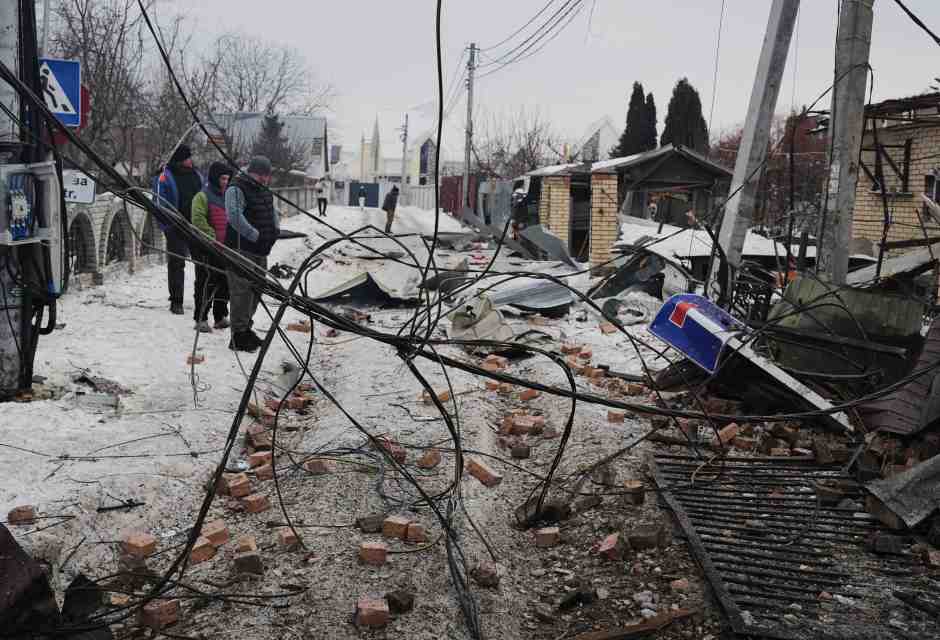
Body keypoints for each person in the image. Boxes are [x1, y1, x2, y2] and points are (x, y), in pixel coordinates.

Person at [225, 156, 279, 352]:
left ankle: (246, 328)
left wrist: (275, 229)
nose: (264, 179)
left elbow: (272, 211)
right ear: (251, 172)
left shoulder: (263, 189)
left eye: (267, 175)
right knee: (242, 292)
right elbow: (234, 216)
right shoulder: (236, 188)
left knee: (257, 289)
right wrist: (254, 235)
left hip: (260, 250)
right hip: (242, 249)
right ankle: (238, 335)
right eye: (260, 175)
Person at [155, 144, 203, 315]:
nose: (191, 161)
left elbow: (204, 196)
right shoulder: (165, 176)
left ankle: (202, 299)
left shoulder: (196, 175)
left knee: (202, 262)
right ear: (181, 159)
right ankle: (176, 301)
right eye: (188, 158)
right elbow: (159, 201)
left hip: (196, 226)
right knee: (177, 263)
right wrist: (167, 225)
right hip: (175, 226)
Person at [190, 162, 234, 332]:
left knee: (225, 284)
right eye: (222, 178)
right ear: (215, 178)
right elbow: (198, 219)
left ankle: (220, 316)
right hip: (207, 249)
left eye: (227, 179)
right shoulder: (202, 197)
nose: (225, 182)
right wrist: (212, 237)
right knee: (206, 283)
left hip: (226, 249)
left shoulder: (228, 197)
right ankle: (201, 318)